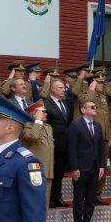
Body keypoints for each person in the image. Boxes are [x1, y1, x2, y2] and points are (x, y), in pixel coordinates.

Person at [66, 97, 105, 222]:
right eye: (91, 106)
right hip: (81, 167)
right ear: (83, 110)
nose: (95, 109)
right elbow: (71, 149)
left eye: (95, 106)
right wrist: (74, 168)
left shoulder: (98, 126)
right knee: (79, 197)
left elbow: (100, 147)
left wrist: (101, 166)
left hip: (94, 167)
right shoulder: (75, 126)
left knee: (90, 197)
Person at [43, 79, 73, 208]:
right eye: (60, 88)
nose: (64, 90)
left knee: (60, 172)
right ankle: (48, 198)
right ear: (53, 89)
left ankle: (57, 196)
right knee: (50, 173)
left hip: (64, 143)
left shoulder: (66, 103)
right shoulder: (46, 104)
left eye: (63, 88)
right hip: (51, 144)